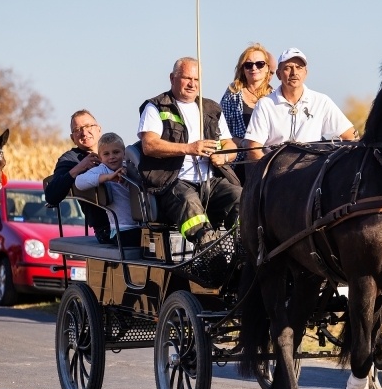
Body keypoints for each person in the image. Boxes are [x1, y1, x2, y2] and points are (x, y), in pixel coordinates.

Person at [137, 57, 241, 247]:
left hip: (211, 182)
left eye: (196, 79)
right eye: (186, 78)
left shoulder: (211, 108)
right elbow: (149, 145)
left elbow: (230, 144)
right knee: (189, 201)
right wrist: (189, 148)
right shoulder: (156, 106)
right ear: (172, 78)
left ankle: (243, 248)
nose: (192, 84)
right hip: (173, 183)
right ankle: (208, 249)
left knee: (240, 197)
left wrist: (223, 156)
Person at [243, 48, 357, 161]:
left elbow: (351, 137)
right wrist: (267, 172)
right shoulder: (265, 105)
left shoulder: (321, 101)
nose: (294, 73)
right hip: (275, 172)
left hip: (312, 173)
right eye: (288, 68)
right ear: (278, 74)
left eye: (299, 67)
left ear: (305, 73)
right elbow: (253, 148)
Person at [44, 109, 113, 243]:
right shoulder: (70, 160)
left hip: (133, 222)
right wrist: (80, 168)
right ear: (72, 138)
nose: (84, 132)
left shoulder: (115, 150)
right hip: (107, 229)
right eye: (77, 129)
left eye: (88, 126)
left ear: (99, 129)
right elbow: (51, 195)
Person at [220, 43, 276, 185]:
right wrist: (245, 143)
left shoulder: (276, 98)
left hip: (269, 163)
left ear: (268, 68)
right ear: (242, 69)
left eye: (259, 64)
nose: (254, 68)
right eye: (248, 65)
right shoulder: (231, 95)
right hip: (238, 163)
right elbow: (220, 132)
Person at [74, 132, 141, 246]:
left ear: (124, 153)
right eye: (106, 154)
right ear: (100, 158)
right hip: (122, 230)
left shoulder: (129, 168)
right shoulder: (103, 170)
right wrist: (108, 178)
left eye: (116, 152)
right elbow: (79, 182)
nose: (112, 157)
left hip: (139, 226)